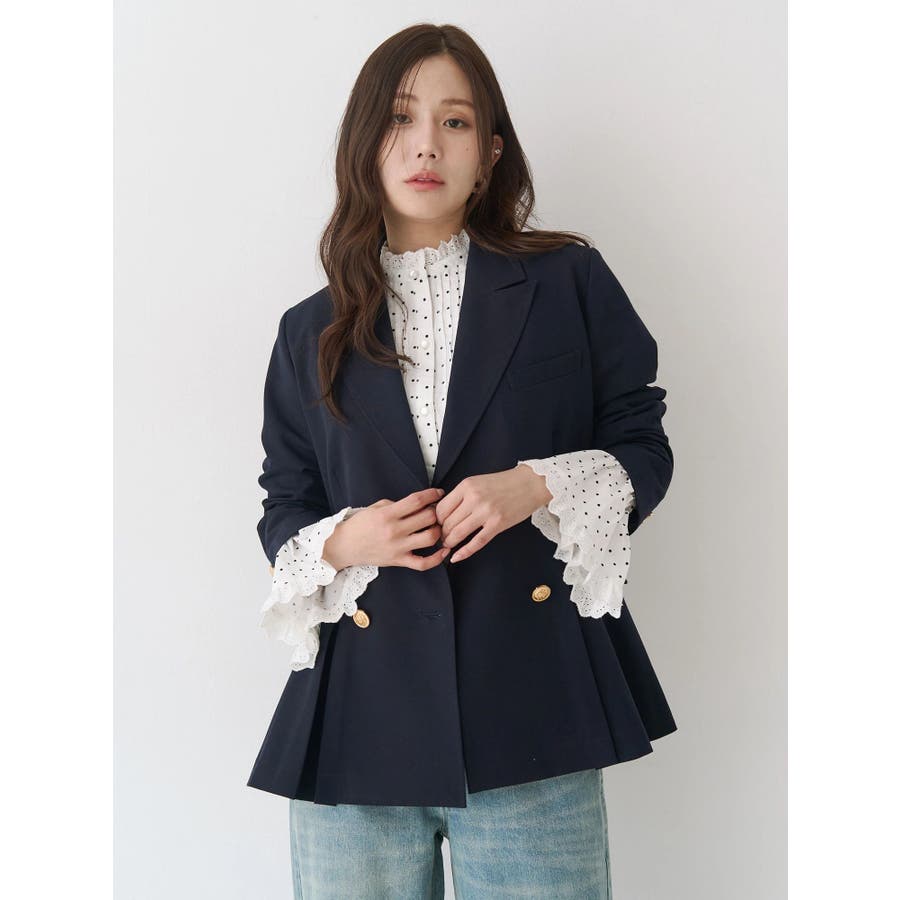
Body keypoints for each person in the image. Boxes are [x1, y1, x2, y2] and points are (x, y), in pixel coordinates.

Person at [248, 23, 677, 900]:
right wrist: (347, 540)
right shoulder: (309, 330)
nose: (425, 145)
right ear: (365, 142)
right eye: (401, 118)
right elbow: (284, 497)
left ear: (490, 153)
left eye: (455, 121)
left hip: (534, 714)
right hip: (358, 723)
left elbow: (643, 442)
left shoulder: (567, 282)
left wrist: (537, 484)